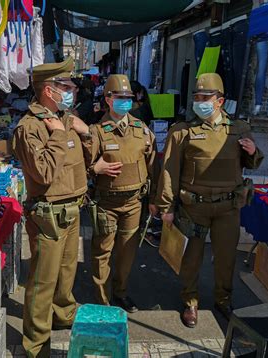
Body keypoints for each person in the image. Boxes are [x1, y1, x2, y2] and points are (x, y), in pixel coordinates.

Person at [156, 73, 263, 327]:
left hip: (228, 207)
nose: (199, 101)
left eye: (205, 97)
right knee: (191, 259)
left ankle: (223, 300)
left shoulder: (239, 129)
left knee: (226, 258)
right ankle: (190, 302)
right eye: (196, 97)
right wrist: (166, 208)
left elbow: (251, 163)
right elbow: (169, 170)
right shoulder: (182, 131)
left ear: (220, 101)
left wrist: (253, 152)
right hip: (194, 207)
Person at [12, 57, 91, 357]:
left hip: (73, 209)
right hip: (49, 215)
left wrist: (85, 133)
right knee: (43, 282)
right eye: (66, 86)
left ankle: (62, 315)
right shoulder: (30, 127)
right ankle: (35, 345)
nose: (72, 91)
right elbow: (43, 172)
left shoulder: (66, 118)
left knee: (66, 273)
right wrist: (58, 134)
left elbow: (84, 162)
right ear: (49, 89)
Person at [83, 74, 158, 313]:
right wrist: (95, 168)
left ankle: (121, 292)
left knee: (127, 252)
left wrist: (156, 199)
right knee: (102, 251)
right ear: (107, 99)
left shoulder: (141, 129)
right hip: (106, 203)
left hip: (134, 202)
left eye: (128, 97)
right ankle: (103, 299)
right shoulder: (97, 131)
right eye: (119, 97)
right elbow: (82, 166)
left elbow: (153, 164)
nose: (125, 101)